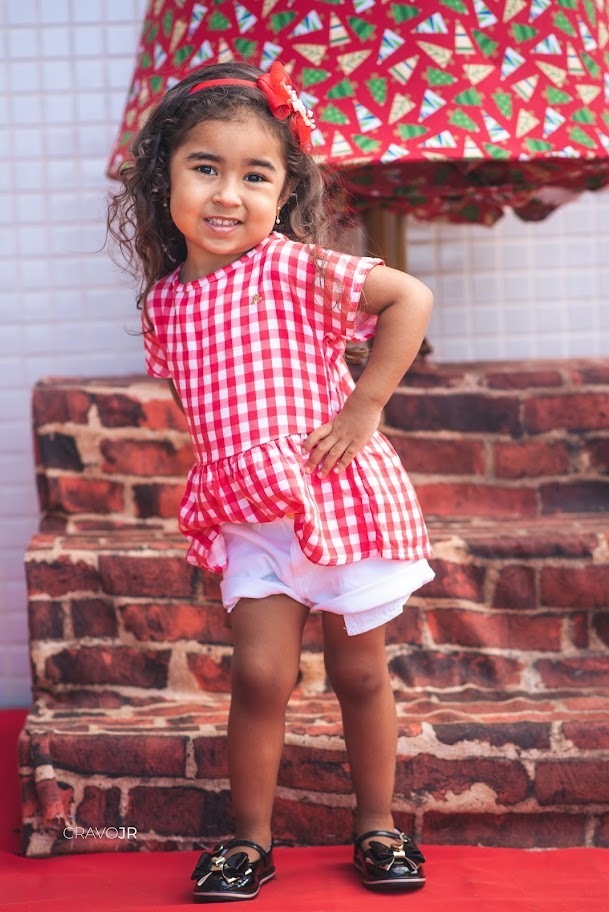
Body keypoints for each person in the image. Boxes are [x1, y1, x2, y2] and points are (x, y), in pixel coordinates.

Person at [108, 59, 434, 903]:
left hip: (335, 495)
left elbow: (409, 298)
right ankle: (248, 840)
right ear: (164, 179)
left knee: (359, 674)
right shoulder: (164, 305)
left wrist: (362, 408)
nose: (228, 194)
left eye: (255, 175)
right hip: (251, 517)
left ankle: (377, 825)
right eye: (205, 168)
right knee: (259, 676)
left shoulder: (291, 267)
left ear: (285, 191)